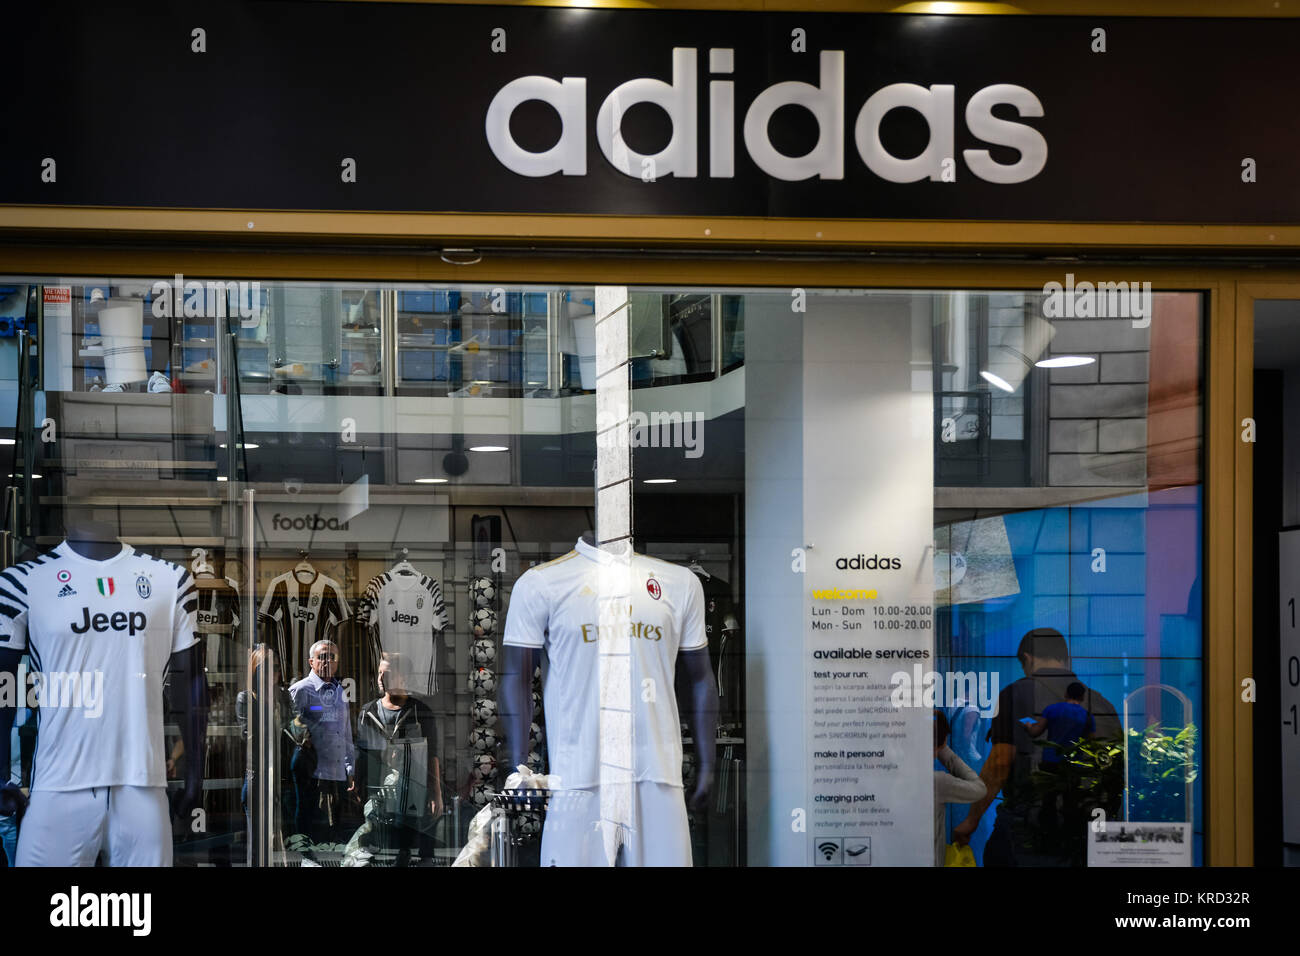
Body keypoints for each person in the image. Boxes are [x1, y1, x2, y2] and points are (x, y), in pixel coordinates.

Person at [951, 627, 1120, 866]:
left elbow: (1000, 763)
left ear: (1027, 659)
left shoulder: (1016, 693)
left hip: (1029, 829)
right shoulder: (1103, 704)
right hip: (1086, 829)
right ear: (1066, 659)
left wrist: (972, 819)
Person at [352, 652, 444, 866]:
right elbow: (362, 749)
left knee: (411, 822)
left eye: (388, 674)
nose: (381, 679)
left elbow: (433, 754)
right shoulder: (368, 711)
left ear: (404, 678)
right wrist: (356, 778)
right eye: (380, 673)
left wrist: (436, 792)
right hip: (378, 783)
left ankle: (413, 854)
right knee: (375, 822)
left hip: (412, 784)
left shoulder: (420, 712)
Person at [236, 645, 307, 864]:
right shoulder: (247, 699)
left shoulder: (284, 697)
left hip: (283, 781)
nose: (273, 673)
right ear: (255, 670)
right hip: (258, 779)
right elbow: (251, 736)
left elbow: (300, 727)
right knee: (260, 847)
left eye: (276, 668)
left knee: (288, 842)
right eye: (266, 668)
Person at [288, 640, 356, 845]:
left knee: (332, 827)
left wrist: (350, 767)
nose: (327, 661)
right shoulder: (300, 690)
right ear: (311, 661)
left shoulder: (339, 692)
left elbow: (345, 732)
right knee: (308, 823)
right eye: (322, 656)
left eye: (332, 657)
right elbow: (291, 730)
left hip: (335, 771)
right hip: (310, 769)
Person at [934, 710, 985, 866]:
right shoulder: (937, 782)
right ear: (943, 742)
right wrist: (945, 752)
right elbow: (980, 789)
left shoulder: (893, 777)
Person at [1025, 681, 1096, 767]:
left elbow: (1034, 732)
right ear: (1082, 697)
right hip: (1074, 763)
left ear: (1066, 694)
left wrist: (1028, 724)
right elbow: (1091, 742)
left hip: (1050, 760)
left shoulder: (1051, 709)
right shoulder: (1088, 716)